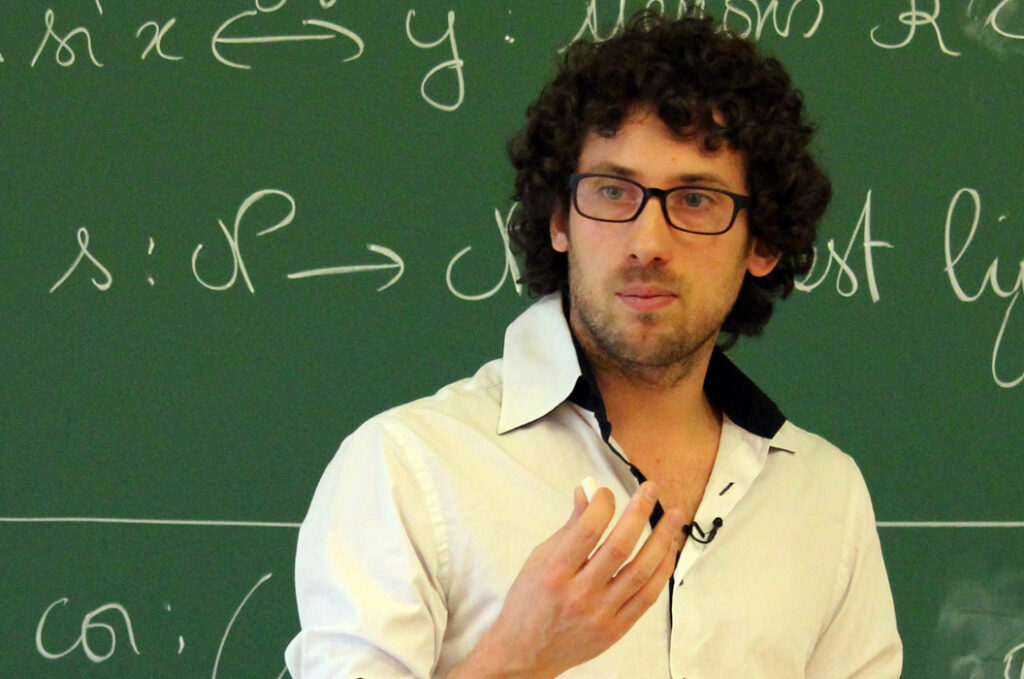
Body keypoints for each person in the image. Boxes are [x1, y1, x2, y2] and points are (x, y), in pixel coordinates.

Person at [285, 8, 902, 679]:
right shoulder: (407, 466)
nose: (648, 243)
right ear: (560, 219)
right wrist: (514, 660)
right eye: (612, 191)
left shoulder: (824, 494)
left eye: (696, 200)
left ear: (763, 242)